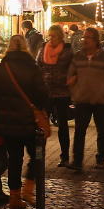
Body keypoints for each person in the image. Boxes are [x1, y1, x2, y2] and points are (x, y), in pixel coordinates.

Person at [0, 34, 48, 209]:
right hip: (30, 123)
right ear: (26, 47)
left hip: (8, 123)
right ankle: (28, 189)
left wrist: (4, 108)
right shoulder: (33, 68)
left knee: (14, 159)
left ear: (9, 47)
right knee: (38, 155)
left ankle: (14, 197)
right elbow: (43, 94)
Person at [66, 27, 104, 170]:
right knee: (79, 131)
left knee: (101, 130)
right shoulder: (78, 56)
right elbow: (70, 76)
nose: (85, 40)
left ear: (95, 40)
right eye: (84, 37)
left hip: (99, 100)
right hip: (82, 100)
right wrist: (75, 92)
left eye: (88, 37)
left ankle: (100, 158)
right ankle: (77, 161)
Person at [36, 24, 74, 166]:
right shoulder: (42, 50)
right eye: (49, 35)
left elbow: (74, 68)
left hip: (62, 93)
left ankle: (65, 157)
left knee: (62, 125)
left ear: (60, 37)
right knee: (42, 126)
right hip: (45, 93)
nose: (51, 39)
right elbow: (37, 67)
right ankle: (39, 157)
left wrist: (72, 78)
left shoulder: (67, 52)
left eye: (54, 36)